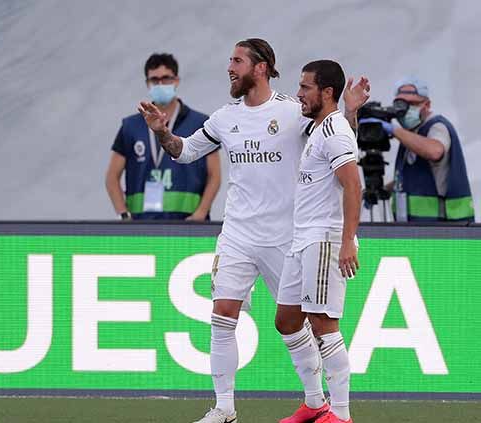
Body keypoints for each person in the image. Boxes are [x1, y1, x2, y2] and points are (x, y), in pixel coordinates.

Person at [138, 39, 369, 423]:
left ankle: (319, 402)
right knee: (222, 314)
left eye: (237, 61)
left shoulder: (294, 111)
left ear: (260, 68)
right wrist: (163, 133)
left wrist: (349, 110)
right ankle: (224, 407)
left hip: (288, 235)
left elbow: (338, 140)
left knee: (296, 321)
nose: (230, 67)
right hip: (238, 234)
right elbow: (184, 151)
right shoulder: (225, 118)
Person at [275, 60, 362, 423]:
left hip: (324, 238)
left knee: (324, 323)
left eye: (306, 87)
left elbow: (353, 186)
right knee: (287, 320)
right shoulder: (323, 128)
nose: (299, 93)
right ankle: (314, 402)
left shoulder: (334, 131)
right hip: (302, 239)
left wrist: (346, 242)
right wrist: (352, 112)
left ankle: (340, 414)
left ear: (326, 92)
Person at [106, 53, 221, 221]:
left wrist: (200, 214)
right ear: (147, 83)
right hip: (140, 226)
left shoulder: (200, 123)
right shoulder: (130, 126)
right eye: (154, 80)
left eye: (166, 78)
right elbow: (111, 177)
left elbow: (215, 175)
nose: (160, 84)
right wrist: (124, 216)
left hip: (189, 225)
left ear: (176, 81)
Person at [366, 77, 474, 221]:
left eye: (412, 104)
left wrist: (393, 129)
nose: (405, 110)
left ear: (427, 104)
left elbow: (435, 151)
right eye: (401, 104)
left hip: (441, 227)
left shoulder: (437, 126)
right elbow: (411, 177)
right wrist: (383, 190)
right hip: (415, 226)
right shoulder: (411, 132)